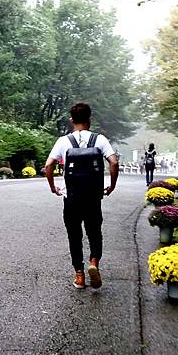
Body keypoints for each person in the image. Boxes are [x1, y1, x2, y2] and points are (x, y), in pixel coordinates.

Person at [44, 103, 119, 290]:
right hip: (93, 197)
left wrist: (54, 186)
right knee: (94, 232)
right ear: (89, 119)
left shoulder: (63, 141)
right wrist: (112, 185)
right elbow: (114, 162)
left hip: (71, 197)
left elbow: (48, 165)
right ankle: (94, 262)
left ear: (71, 120)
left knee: (74, 235)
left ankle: (79, 275)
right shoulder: (99, 139)